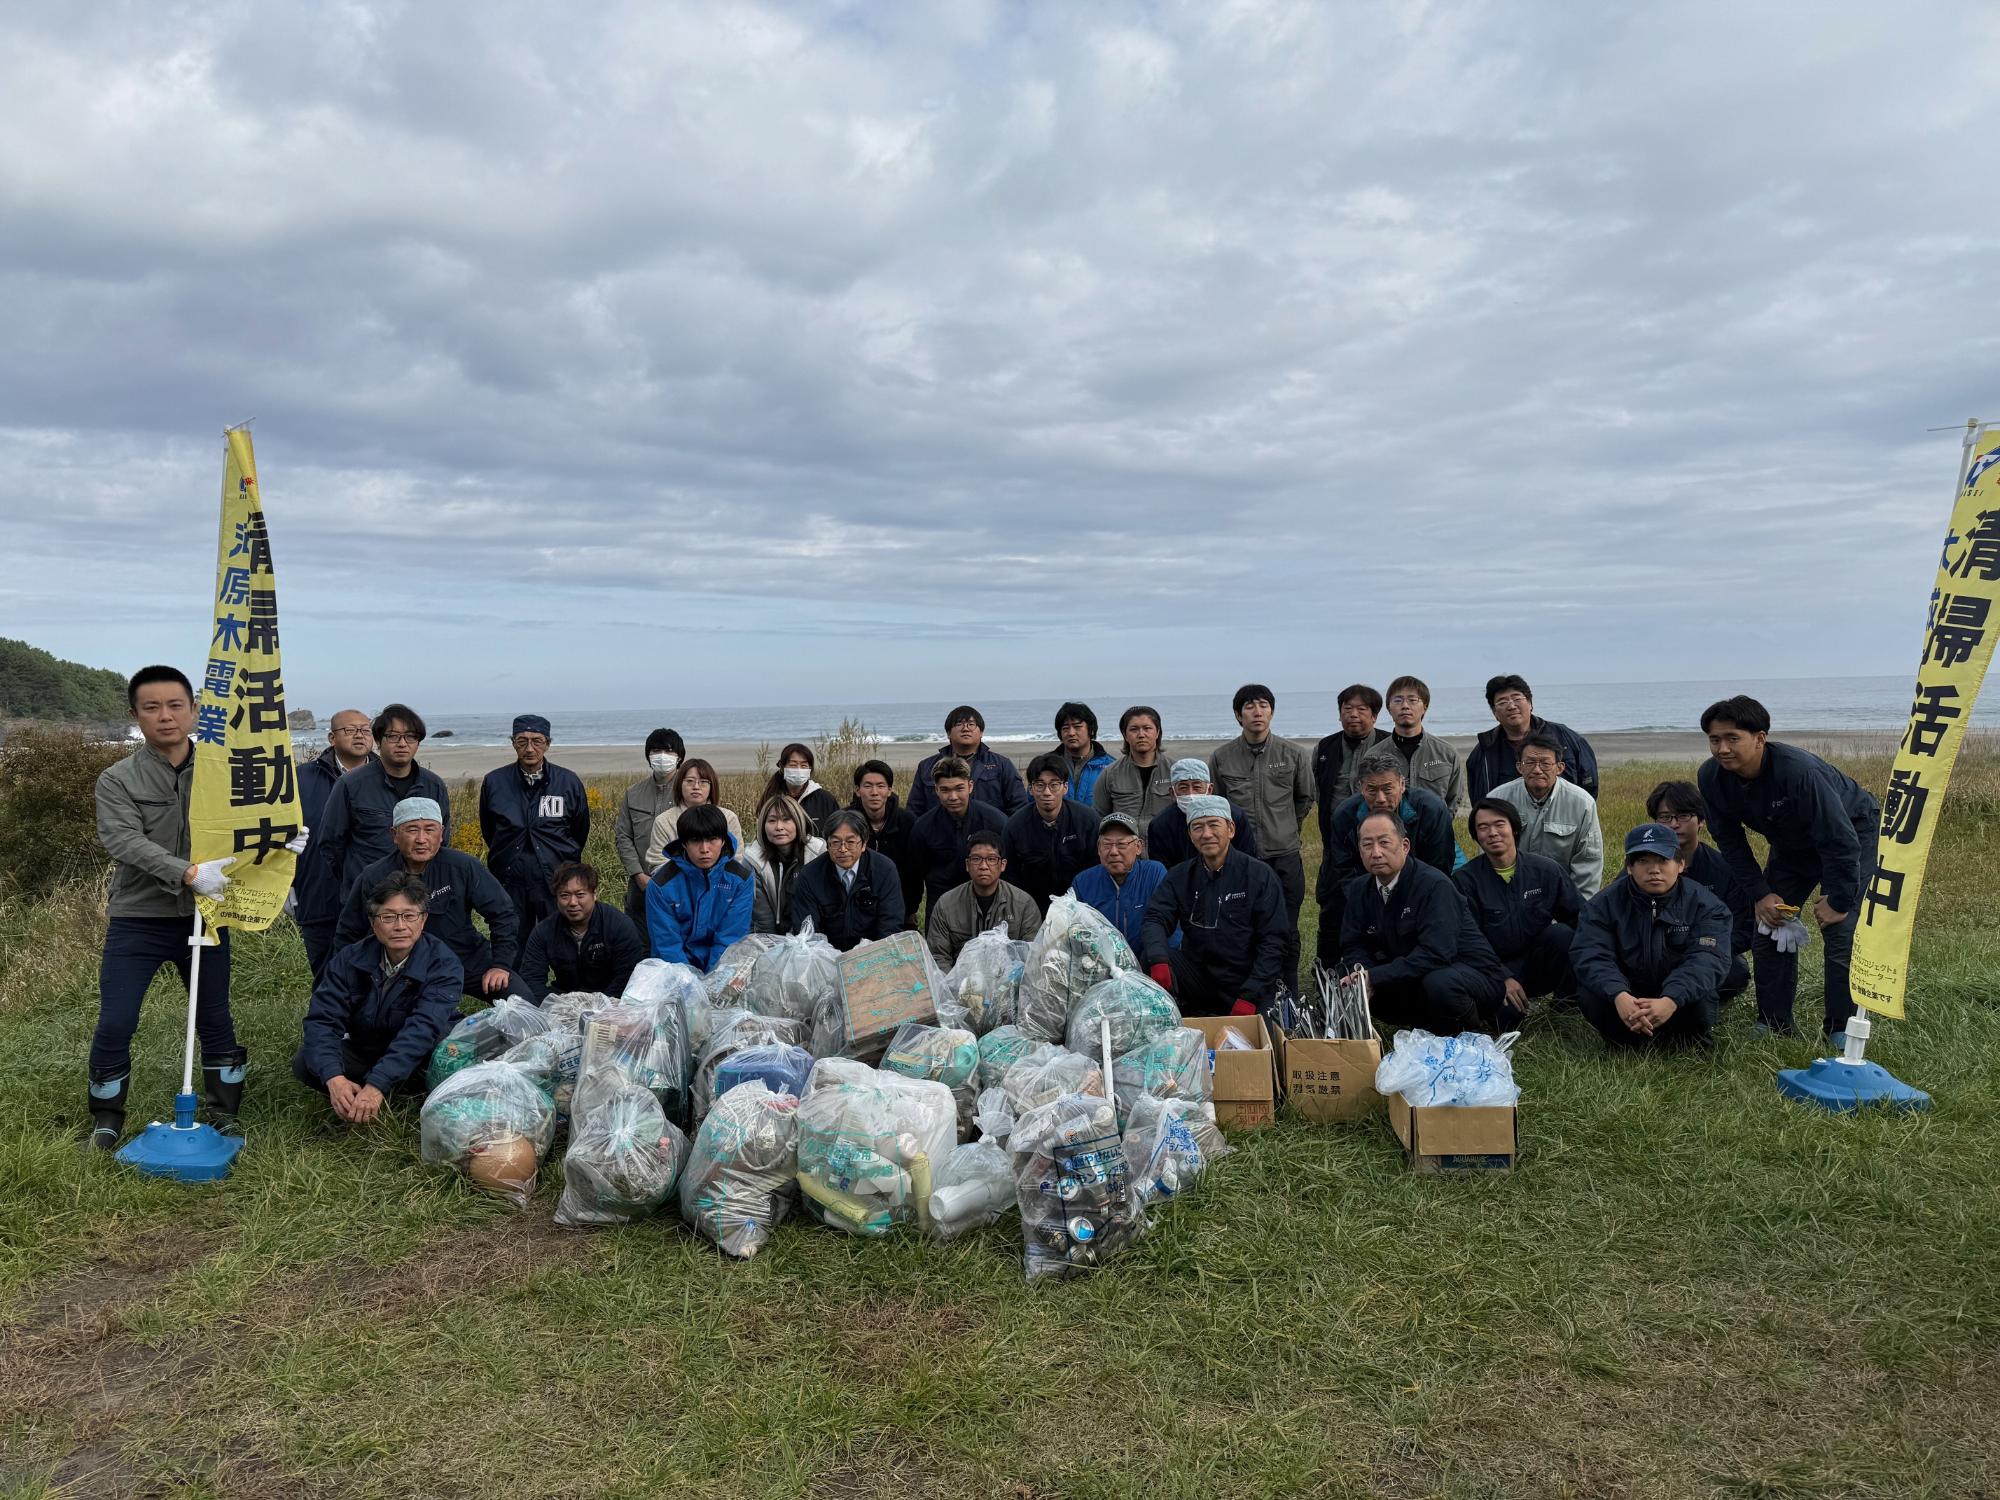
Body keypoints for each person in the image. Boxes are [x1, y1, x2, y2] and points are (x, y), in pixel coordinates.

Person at [87, 666, 247, 1148]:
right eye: (151, 707)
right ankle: (106, 1117)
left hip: (207, 915)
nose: (165, 716)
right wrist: (186, 872)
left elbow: (254, 822)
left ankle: (224, 1114)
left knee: (214, 1016)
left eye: (175, 705)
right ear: (135, 715)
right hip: (139, 917)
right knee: (117, 1018)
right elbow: (122, 839)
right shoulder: (117, 779)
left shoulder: (224, 773)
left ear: (194, 710)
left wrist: (282, 841)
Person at [1697, 695, 1879, 1038]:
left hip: (1853, 832)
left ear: (1760, 738)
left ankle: (1841, 1028)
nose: (1722, 749)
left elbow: (1840, 840)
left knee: (1840, 930)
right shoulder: (1711, 778)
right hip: (1792, 847)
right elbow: (1730, 842)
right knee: (1770, 925)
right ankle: (1774, 1023)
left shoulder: (1798, 772)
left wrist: (1838, 899)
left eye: (1732, 738)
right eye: (1715, 739)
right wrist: (1762, 894)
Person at [293, 871, 464, 1121]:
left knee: (449, 1059)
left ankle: (395, 1094)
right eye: (388, 917)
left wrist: (377, 1083)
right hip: (369, 1047)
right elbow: (322, 1021)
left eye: (409, 916)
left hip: (421, 1053)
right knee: (306, 1060)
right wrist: (334, 1078)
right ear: (373, 923)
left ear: (423, 920)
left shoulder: (444, 963)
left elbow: (422, 1030)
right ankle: (353, 1094)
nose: (400, 926)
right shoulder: (349, 960)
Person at [1339, 810, 1510, 1032]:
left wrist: (1376, 976)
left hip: (1470, 975)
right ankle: (1428, 1028)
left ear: (1405, 846)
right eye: (1367, 845)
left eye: (1384, 842)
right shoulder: (1359, 889)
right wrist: (1361, 975)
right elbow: (1353, 943)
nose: (1376, 853)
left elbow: (1437, 953)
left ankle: (1474, 1032)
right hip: (1413, 973)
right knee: (1349, 982)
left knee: (1440, 984)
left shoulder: (1434, 885)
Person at [334, 798, 519, 1000]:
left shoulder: (463, 867)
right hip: (403, 972)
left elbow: (503, 914)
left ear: (441, 834)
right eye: (412, 830)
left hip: (466, 960)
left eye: (430, 830)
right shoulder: (374, 876)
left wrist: (500, 965)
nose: (421, 839)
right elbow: (349, 932)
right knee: (418, 1026)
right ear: (394, 835)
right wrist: (351, 981)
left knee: (525, 1007)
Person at [1572, 823, 1734, 1050]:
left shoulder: (1708, 906)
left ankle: (1685, 1042)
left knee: (1702, 997)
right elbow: (1591, 954)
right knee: (1592, 994)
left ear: (1680, 865)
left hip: (1675, 998)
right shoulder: (1602, 905)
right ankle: (1624, 1043)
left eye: (1662, 860)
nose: (1654, 869)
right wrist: (1620, 995)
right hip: (1628, 996)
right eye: (1643, 861)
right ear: (1629, 867)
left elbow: (1708, 959)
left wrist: (1671, 999)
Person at [1209, 683, 1314, 999]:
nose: (1257, 711)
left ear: (1272, 711)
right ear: (1238, 715)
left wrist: (1285, 828)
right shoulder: (1222, 757)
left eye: (1264, 705)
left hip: (1284, 856)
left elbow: (1304, 798)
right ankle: (1249, 993)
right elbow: (1220, 804)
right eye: (1250, 706)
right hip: (1241, 858)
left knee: (1287, 929)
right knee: (1242, 928)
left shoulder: (1293, 754)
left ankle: (1288, 993)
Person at [1139, 797, 1287, 1017]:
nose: (1206, 834)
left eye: (1213, 824)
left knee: (1266, 1037)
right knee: (1150, 957)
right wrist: (1158, 961)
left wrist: (1250, 995)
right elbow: (1155, 918)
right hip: (1200, 977)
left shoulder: (1259, 876)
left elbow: (1275, 940)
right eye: (1197, 827)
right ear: (1190, 835)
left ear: (1231, 829)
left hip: (1247, 980)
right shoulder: (1179, 876)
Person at [1315, 750, 1456, 966]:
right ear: (1361, 787)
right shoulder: (1344, 815)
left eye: (1388, 789)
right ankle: (1331, 975)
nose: (1380, 798)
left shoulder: (1432, 810)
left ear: (1402, 785)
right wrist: (1375, 902)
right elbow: (1344, 870)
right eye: (1371, 789)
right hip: (1366, 884)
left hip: (1420, 882)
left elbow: (1440, 865)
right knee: (1334, 905)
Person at [1453, 798, 1585, 1013]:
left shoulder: (1546, 870)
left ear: (1514, 828)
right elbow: (1468, 941)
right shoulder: (1464, 881)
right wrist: (1502, 976)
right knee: (1505, 1019)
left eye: (1499, 824)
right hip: (1493, 969)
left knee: (1563, 934)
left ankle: (1565, 1006)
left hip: (1538, 961)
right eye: (1483, 828)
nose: (1492, 833)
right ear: (1476, 836)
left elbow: (1581, 918)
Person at [314, 702, 453, 901]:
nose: (402, 743)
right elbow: (331, 843)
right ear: (378, 740)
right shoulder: (351, 784)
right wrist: (357, 879)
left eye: (410, 736)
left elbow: (442, 840)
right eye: (393, 736)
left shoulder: (433, 785)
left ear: (418, 742)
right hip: (368, 898)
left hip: (418, 898)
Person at [478, 713, 589, 936]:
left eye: (537, 741)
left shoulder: (567, 781)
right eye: (522, 741)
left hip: (556, 876)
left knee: (560, 936)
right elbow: (489, 829)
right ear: (513, 743)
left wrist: (561, 859)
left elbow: (580, 829)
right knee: (512, 937)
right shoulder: (494, 782)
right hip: (510, 876)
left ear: (547, 744)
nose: (530, 748)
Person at [1646, 780, 1754, 1002]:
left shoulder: (1724, 869)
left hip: (1706, 951)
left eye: (1683, 816)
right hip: (1652, 954)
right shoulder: (1642, 867)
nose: (1674, 824)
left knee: (1736, 972)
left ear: (1702, 821)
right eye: (1665, 817)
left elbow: (1744, 928)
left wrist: (1701, 950)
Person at [295, 707, 378, 977]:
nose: (359, 736)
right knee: (326, 974)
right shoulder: (302, 778)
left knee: (377, 975)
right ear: (332, 738)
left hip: (378, 896)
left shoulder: (388, 776)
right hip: (319, 892)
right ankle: (327, 1020)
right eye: (350, 730)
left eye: (365, 730)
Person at [1490, 733, 1605, 897]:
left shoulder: (1582, 803)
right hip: (1509, 894)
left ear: (1560, 768)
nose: (1537, 770)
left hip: (1560, 897)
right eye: (1529, 763)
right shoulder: (1497, 799)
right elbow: (1488, 855)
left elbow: (1588, 862)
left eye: (1545, 763)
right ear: (1519, 767)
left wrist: (1578, 910)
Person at [644, 804, 754, 971]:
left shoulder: (741, 880)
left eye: (712, 839)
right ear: (683, 844)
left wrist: (713, 981)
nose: (704, 849)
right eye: (695, 841)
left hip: (724, 967)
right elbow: (667, 945)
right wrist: (690, 985)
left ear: (723, 840)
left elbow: (730, 937)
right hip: (675, 971)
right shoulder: (660, 885)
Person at [515, 862, 647, 1000]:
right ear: (556, 898)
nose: (572, 902)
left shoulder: (619, 925)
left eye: (580, 894)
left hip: (612, 1003)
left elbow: (629, 975)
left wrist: (600, 1008)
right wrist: (558, 1007)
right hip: (564, 1000)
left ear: (594, 894)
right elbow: (532, 979)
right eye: (564, 895)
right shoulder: (544, 932)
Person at [1467, 675, 1600, 802]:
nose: (1511, 706)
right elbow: (1479, 800)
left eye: (1517, 698)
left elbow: (1589, 786)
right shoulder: (1483, 752)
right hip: (1506, 823)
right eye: (1502, 702)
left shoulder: (1566, 738)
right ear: (1494, 712)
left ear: (1530, 703)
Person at [788, 811, 907, 950]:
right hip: (825, 957)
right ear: (827, 844)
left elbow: (890, 926)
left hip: (873, 957)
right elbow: (807, 931)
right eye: (836, 842)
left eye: (850, 842)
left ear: (863, 844)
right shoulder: (810, 875)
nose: (843, 849)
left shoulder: (884, 870)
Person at [909, 756, 1010, 917]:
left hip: (989, 902)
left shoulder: (995, 822)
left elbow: (1009, 869)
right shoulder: (923, 828)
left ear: (970, 786)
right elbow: (915, 876)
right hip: (941, 904)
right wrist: (910, 912)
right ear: (936, 790)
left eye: (959, 788)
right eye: (945, 790)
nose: (953, 796)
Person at [1002, 752, 1102, 913]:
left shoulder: (1087, 821)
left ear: (1065, 788)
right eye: (1040, 785)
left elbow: (1098, 870)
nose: (1047, 792)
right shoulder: (1015, 826)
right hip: (1032, 909)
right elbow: (1009, 878)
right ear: (1031, 789)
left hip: (1081, 906)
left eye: (1054, 784)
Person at [926, 830, 1042, 965]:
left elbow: (1032, 956)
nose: (983, 866)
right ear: (967, 865)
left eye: (991, 859)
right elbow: (938, 957)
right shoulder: (946, 905)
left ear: (1003, 865)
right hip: (959, 981)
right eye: (976, 859)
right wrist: (954, 985)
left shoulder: (1024, 905)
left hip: (1009, 980)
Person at [614, 728, 685, 940]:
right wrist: (638, 874)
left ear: (679, 756)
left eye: (668, 751)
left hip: (680, 884)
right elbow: (623, 836)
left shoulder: (690, 792)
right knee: (639, 943)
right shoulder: (634, 793)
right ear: (648, 756)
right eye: (656, 750)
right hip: (641, 885)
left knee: (675, 941)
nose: (662, 756)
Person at [906, 706, 1029, 819]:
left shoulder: (1001, 765)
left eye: (971, 724)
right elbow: (914, 810)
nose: (965, 728)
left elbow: (1018, 807)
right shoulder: (927, 766)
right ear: (948, 732)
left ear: (981, 732)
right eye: (959, 724)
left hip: (989, 836)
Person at [1069, 812, 1167, 952]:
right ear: (1098, 848)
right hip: (1100, 964)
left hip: (1149, 960)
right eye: (1107, 844)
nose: (1113, 852)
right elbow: (1074, 932)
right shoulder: (1083, 882)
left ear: (1138, 847)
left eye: (1121, 844)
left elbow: (1169, 924)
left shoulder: (1154, 873)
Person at [1145, 758, 1261, 871]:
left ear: (1209, 790)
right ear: (1173, 793)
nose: (1191, 793)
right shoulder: (1160, 825)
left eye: (1197, 787)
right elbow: (1162, 870)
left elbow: (1247, 860)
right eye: (1183, 788)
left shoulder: (1234, 816)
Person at [1383, 675, 1468, 815]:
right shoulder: (1375, 754)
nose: (1405, 705)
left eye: (1412, 700)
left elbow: (1454, 799)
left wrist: (1440, 825)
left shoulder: (1447, 753)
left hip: (1435, 833)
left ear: (1425, 707)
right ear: (1389, 708)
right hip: (1389, 833)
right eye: (1398, 700)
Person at [849, 759, 923, 917]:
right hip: (855, 911)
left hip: (901, 908)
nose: (874, 792)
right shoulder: (846, 821)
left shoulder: (907, 822)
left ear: (889, 790)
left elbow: (915, 872)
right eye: (867, 786)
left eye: (881, 786)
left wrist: (908, 909)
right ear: (857, 790)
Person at [743, 795, 826, 933]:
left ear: (799, 822)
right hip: (769, 937)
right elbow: (763, 920)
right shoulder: (752, 861)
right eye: (772, 820)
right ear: (763, 826)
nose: (779, 827)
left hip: (813, 935)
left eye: (786, 819)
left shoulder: (818, 854)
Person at [644, 758, 744, 867]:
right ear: (679, 784)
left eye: (703, 782)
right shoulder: (664, 821)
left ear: (712, 786)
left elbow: (737, 858)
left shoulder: (728, 818)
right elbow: (657, 863)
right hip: (676, 883)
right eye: (690, 781)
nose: (696, 787)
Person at [1091, 704, 1174, 832]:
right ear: (1125, 735)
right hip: (1125, 849)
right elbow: (1098, 819)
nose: (1141, 734)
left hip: (1167, 849)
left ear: (1157, 732)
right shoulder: (1110, 774)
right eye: (1134, 729)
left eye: (1147, 728)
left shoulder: (1175, 771)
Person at [1312, 684, 1391, 812]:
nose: (1353, 714)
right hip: (1336, 827)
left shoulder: (1390, 744)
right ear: (1340, 714)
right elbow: (1314, 787)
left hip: (1381, 824)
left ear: (1374, 716)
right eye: (1348, 709)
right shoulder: (1324, 747)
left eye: (1361, 709)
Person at [759, 742, 840, 832]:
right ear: (782, 768)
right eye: (793, 765)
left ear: (810, 769)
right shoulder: (772, 797)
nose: (798, 770)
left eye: (804, 766)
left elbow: (836, 831)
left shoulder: (825, 799)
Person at [1054, 701, 1115, 805]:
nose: (1071, 733)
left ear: (1091, 730)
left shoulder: (1111, 767)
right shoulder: (1047, 764)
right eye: (1065, 728)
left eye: (1077, 727)